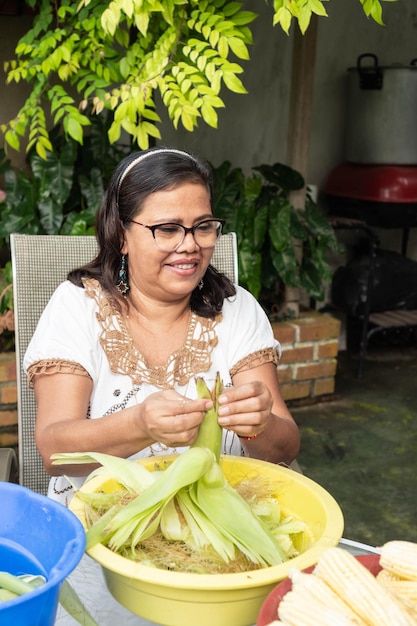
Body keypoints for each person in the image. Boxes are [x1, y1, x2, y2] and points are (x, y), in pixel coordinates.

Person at [24, 146, 300, 625]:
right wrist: (139, 423)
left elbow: (286, 446)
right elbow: (55, 450)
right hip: (106, 539)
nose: (190, 245)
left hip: (221, 544)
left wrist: (259, 424)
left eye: (203, 226)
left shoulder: (236, 309)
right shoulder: (77, 309)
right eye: (167, 228)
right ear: (121, 233)